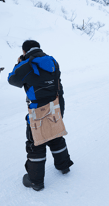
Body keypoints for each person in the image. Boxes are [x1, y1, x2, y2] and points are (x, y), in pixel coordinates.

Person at [8, 40, 74, 191]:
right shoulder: (52, 60)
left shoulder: (27, 64)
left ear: (24, 51)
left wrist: (20, 62)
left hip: (37, 108)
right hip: (56, 104)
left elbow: (12, 79)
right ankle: (64, 166)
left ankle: (35, 181)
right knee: (55, 134)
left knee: (36, 142)